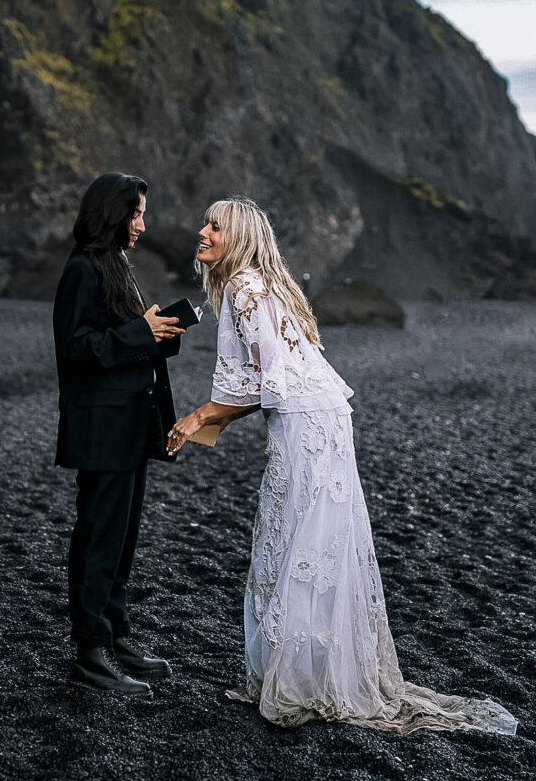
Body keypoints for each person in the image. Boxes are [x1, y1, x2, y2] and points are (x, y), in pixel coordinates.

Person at [167, 197, 517, 735]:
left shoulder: (243, 288)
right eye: (207, 222)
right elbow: (271, 379)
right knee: (309, 536)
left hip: (307, 423)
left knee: (299, 538)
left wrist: (199, 417)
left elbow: (269, 383)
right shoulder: (263, 283)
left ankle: (301, 682)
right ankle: (306, 673)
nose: (203, 231)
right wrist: (213, 418)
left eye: (216, 226)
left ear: (238, 239)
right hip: (322, 417)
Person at [53, 172, 184, 697]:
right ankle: (90, 653)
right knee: (99, 538)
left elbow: (120, 341)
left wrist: (157, 332)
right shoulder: (82, 269)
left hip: (130, 422)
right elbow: (76, 347)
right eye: (135, 214)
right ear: (112, 214)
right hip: (101, 426)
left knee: (123, 539)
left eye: (143, 214)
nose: (142, 225)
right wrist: (139, 332)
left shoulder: (117, 266)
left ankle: (116, 637)